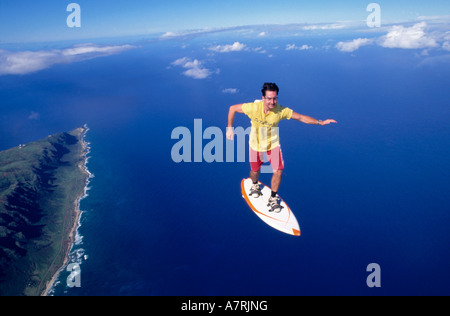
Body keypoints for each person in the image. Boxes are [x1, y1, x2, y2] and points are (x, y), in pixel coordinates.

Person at [227, 83, 337, 212]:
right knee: (255, 171)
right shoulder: (253, 108)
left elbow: (301, 117)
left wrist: (320, 122)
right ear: (263, 97)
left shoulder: (280, 111)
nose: (272, 101)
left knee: (278, 171)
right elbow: (232, 108)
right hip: (255, 145)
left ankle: (273, 199)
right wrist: (229, 127)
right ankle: (255, 185)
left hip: (273, 145)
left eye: (274, 98)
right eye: (269, 98)